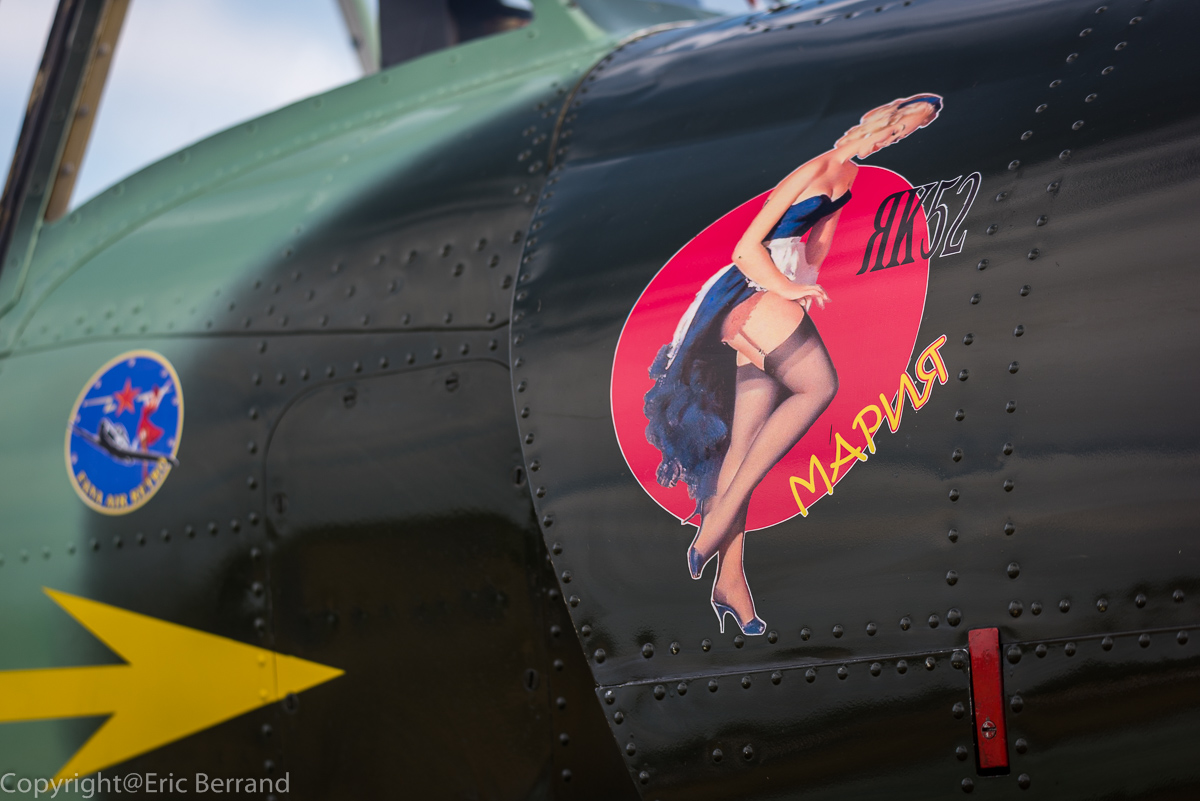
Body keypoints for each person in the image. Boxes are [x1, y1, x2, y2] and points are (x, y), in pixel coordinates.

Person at [643, 94, 943, 635]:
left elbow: (818, 247)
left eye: (905, 135)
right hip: (748, 286)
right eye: (896, 125)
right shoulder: (814, 168)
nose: (892, 139)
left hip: (777, 289)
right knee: (818, 386)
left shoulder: (849, 179)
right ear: (877, 117)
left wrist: (804, 286)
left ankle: (730, 580)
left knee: (744, 440)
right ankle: (716, 522)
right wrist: (787, 288)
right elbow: (745, 247)